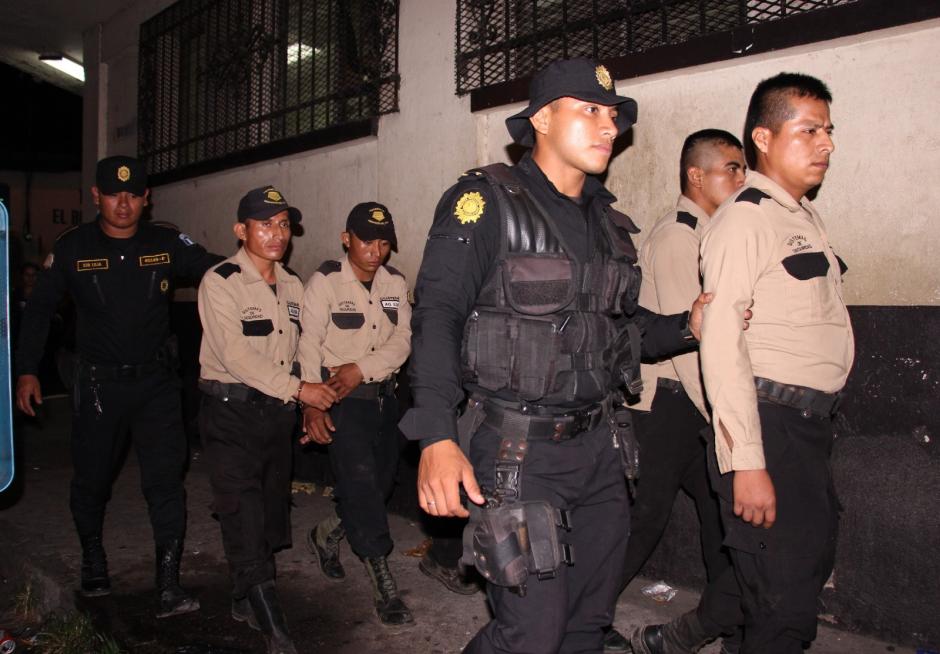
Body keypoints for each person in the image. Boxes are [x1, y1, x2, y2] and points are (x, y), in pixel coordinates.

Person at [399, 58, 709, 653]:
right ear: (541, 118)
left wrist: (688, 327)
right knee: (531, 635)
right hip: (518, 453)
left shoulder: (609, 223)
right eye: (588, 109)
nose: (607, 126)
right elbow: (436, 317)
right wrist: (436, 437)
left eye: (613, 114)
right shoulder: (485, 201)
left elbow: (618, 329)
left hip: (601, 450)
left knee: (587, 625)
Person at [14, 155, 219, 617]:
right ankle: (93, 560)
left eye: (133, 194)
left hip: (156, 385)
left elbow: (218, 272)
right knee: (91, 481)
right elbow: (41, 309)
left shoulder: (166, 242)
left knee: (166, 481)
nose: (122, 203)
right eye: (113, 194)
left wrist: (264, 267)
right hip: (99, 387)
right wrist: (27, 370)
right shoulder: (72, 247)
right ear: (96, 196)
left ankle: (168, 582)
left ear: (146, 198)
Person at [699, 73, 853, 654]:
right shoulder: (745, 218)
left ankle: (682, 636)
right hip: (771, 428)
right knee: (783, 615)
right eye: (809, 129)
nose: (826, 144)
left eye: (829, 130)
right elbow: (721, 342)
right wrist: (747, 463)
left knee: (786, 587)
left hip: (807, 431)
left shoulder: (800, 216)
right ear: (764, 137)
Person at [604, 130, 747, 653]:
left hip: (693, 406)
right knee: (641, 519)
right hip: (665, 402)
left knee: (721, 514)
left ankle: (729, 615)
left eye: (742, 168)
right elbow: (692, 339)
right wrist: (723, 413)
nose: (740, 178)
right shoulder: (678, 236)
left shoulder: (713, 232)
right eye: (730, 168)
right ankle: (588, 616)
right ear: (696, 175)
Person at [197, 186, 335, 654]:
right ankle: (276, 630)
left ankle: (243, 596)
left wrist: (310, 402)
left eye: (283, 225)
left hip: (275, 419)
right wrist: (300, 391)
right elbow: (233, 354)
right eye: (264, 225)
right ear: (241, 230)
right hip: (230, 414)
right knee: (243, 513)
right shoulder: (221, 281)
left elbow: (304, 349)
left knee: (271, 518)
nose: (277, 235)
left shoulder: (294, 285)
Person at [298, 202, 414, 626]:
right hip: (341, 402)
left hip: (385, 399)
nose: (375, 250)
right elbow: (307, 343)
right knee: (363, 484)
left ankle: (324, 534)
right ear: (347, 238)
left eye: (383, 242)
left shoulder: (395, 283)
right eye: (366, 240)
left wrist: (361, 368)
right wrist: (311, 403)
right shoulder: (325, 282)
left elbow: (402, 341)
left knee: (378, 485)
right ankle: (383, 579)